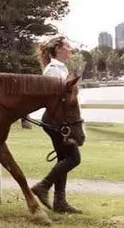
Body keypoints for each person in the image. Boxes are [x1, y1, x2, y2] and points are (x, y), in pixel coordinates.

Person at [30, 36, 83, 214]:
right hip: (55, 122)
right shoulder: (53, 70)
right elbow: (54, 101)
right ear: (58, 49)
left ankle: (60, 202)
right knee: (73, 158)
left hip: (58, 121)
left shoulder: (60, 68)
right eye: (68, 46)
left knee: (64, 159)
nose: (71, 49)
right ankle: (43, 186)